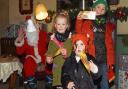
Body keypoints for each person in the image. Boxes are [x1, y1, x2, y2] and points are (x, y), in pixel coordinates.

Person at [75, 0, 116, 89]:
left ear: (105, 11)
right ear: (93, 8)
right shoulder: (87, 23)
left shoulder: (107, 26)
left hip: (103, 60)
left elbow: (110, 45)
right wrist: (79, 20)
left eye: (103, 9)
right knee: (91, 84)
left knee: (104, 83)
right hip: (91, 60)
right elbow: (79, 33)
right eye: (98, 7)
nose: (100, 10)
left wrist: (111, 62)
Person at [15, 16, 51, 89]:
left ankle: (49, 82)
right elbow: (19, 52)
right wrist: (19, 40)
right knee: (28, 62)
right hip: (32, 58)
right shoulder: (25, 37)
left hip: (43, 56)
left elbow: (50, 43)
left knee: (49, 60)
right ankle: (32, 84)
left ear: (36, 24)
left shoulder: (42, 34)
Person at [46, 11, 72, 89]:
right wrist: (49, 59)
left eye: (63, 24)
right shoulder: (52, 40)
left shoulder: (69, 39)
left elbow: (71, 51)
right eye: (59, 24)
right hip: (57, 70)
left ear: (67, 26)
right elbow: (49, 52)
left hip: (67, 70)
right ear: (55, 25)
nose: (61, 26)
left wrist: (66, 53)